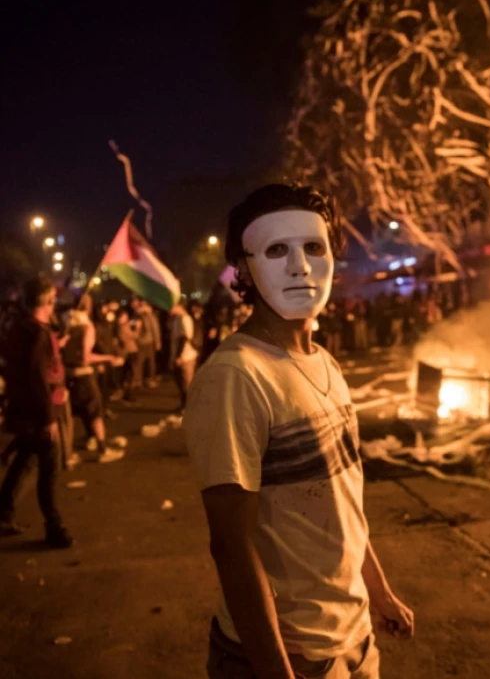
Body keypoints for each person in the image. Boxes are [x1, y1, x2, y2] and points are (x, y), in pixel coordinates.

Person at [184, 184, 413, 679]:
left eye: (314, 247)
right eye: (276, 249)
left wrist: (378, 591)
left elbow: (340, 500)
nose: (299, 266)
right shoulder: (235, 377)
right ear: (243, 269)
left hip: (353, 640)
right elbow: (231, 545)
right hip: (291, 656)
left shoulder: (323, 360)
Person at [0, 275, 73, 548]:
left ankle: (4, 512)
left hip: (21, 409)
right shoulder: (39, 334)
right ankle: (54, 527)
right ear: (47, 301)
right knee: (48, 471)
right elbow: (37, 377)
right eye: (53, 297)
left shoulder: (21, 328)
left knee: (24, 461)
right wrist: (48, 418)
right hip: (38, 413)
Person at [61, 298, 125, 464]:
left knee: (77, 412)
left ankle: (68, 453)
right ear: (88, 309)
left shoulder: (66, 326)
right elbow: (85, 357)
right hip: (83, 375)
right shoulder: (86, 328)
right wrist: (108, 358)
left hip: (68, 375)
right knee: (95, 411)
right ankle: (103, 449)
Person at [168, 301, 199, 411]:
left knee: (187, 381)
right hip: (180, 355)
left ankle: (189, 407)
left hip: (186, 355)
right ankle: (184, 405)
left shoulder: (185, 319)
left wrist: (179, 356)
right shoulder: (177, 319)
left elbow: (185, 338)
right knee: (180, 381)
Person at [116, 309, 141, 404]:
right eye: (124, 317)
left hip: (132, 351)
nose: (126, 318)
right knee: (130, 374)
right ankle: (127, 393)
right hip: (129, 352)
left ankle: (128, 392)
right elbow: (134, 336)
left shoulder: (126, 325)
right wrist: (138, 328)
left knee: (130, 373)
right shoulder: (122, 328)